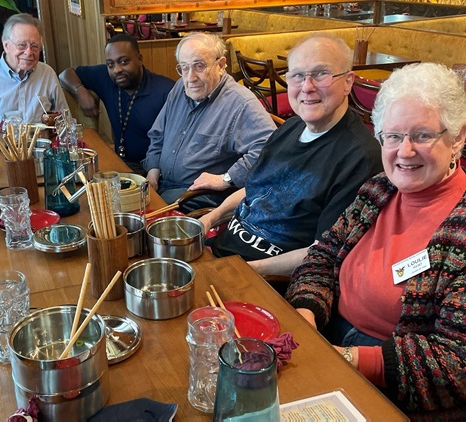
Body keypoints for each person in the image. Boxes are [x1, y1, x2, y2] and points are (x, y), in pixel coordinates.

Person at [286, 62, 466, 418]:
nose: (405, 151)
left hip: (394, 388)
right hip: (326, 336)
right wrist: (305, 311)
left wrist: (349, 358)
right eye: (393, 136)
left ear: (457, 137)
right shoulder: (378, 188)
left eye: (422, 135)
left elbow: (456, 364)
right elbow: (322, 256)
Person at [201, 34, 382, 276]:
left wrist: (243, 270)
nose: (307, 87)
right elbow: (255, 189)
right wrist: (209, 220)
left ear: (348, 82)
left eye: (321, 74)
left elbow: (322, 251)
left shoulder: (360, 157)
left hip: (263, 280)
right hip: (220, 253)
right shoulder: (290, 127)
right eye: (297, 75)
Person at [142, 32, 275, 212]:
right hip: (161, 183)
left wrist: (226, 179)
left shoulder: (240, 103)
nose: (190, 78)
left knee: (139, 222)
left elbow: (271, 152)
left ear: (220, 65)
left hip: (194, 196)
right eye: (184, 68)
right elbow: (158, 134)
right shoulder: (180, 87)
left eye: (199, 66)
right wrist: (152, 170)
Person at [59, 34, 175, 173]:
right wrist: (80, 91)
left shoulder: (166, 90)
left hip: (155, 169)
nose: (117, 69)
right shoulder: (106, 77)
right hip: (121, 162)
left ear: (139, 59)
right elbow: (65, 74)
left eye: (124, 62)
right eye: (110, 64)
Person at [0, 14, 68, 127]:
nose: (29, 52)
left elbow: (65, 121)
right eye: (21, 45)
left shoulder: (47, 74)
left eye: (35, 46)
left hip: (40, 143)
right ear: (6, 45)